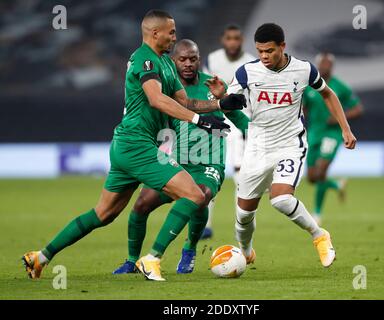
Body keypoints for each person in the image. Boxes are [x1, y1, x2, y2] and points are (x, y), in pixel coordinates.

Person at [21, 9, 246, 280]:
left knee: (103, 214)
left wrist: (220, 104)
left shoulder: (164, 62)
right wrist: (200, 120)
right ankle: (151, 259)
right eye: (171, 32)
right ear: (155, 33)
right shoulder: (144, 60)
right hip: (137, 145)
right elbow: (157, 100)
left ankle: (40, 257)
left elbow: (185, 101)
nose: (175, 36)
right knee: (195, 195)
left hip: (127, 146)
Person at [112, 39, 249, 276]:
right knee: (142, 204)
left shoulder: (213, 86)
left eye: (193, 59)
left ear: (199, 59)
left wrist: (264, 140)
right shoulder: (164, 89)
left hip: (209, 163)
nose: (188, 64)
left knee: (201, 196)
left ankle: (186, 250)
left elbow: (241, 122)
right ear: (172, 61)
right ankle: (132, 260)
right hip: (177, 162)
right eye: (182, 59)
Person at [226, 23, 357, 268]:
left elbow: (327, 94)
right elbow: (229, 101)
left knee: (281, 200)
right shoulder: (246, 72)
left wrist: (345, 128)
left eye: (269, 51)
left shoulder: (304, 70)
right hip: (256, 148)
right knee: (243, 216)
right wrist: (224, 99)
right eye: (259, 51)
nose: (264, 56)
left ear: (282, 46)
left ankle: (319, 235)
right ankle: (246, 251)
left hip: (290, 144)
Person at [201, 24, 256, 239]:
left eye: (236, 38)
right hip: (216, 120)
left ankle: (240, 224)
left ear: (241, 40)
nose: (233, 42)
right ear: (223, 40)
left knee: (241, 175)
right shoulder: (212, 60)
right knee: (211, 171)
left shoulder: (251, 62)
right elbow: (204, 89)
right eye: (229, 38)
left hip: (241, 122)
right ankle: (205, 224)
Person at [303, 52, 363, 226]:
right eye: (322, 64)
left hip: (332, 134)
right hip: (314, 133)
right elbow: (303, 106)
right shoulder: (310, 87)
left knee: (321, 171)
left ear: (332, 67)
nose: (325, 67)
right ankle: (337, 186)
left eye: (328, 64)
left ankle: (317, 213)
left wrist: (339, 118)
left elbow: (357, 109)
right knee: (312, 177)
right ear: (317, 65)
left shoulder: (340, 87)